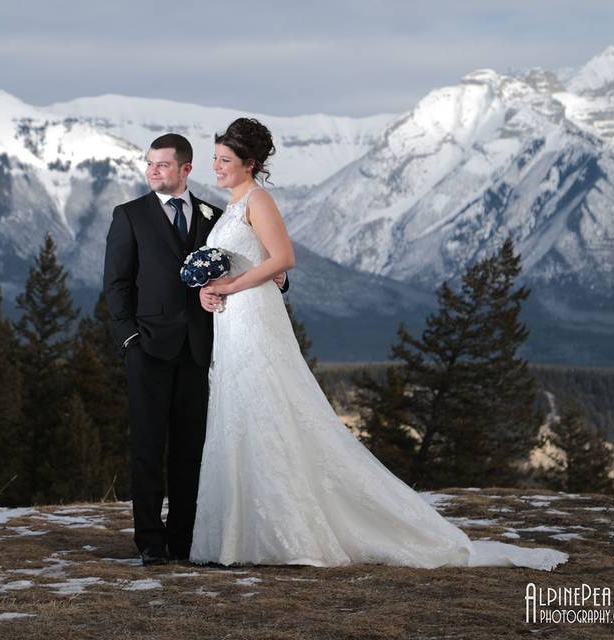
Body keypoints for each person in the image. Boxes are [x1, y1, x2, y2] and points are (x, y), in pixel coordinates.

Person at [190, 118, 568, 571]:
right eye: (214, 158)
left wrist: (231, 287)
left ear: (250, 164)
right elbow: (244, 263)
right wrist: (209, 288)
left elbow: (283, 259)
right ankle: (240, 535)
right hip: (232, 320)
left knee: (269, 404)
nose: (216, 167)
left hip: (254, 316)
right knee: (240, 410)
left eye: (225, 160)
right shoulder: (230, 207)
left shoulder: (257, 200)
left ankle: (289, 533)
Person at [103, 133, 287, 566]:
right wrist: (128, 339)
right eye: (150, 164)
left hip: (202, 349)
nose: (153, 171)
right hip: (147, 348)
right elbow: (117, 284)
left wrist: (278, 279)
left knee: (190, 449)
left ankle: (183, 538)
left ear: (185, 170)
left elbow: (251, 258)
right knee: (148, 447)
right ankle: (149, 540)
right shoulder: (129, 216)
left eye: (163, 165)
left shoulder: (215, 216)